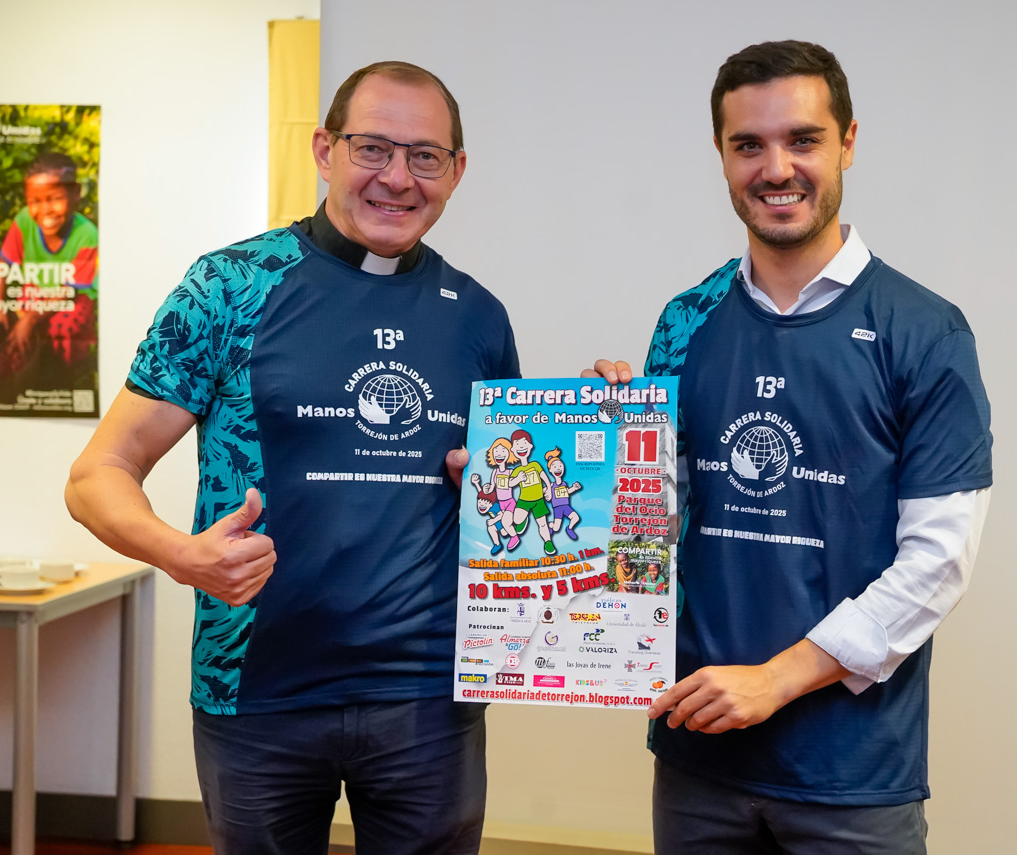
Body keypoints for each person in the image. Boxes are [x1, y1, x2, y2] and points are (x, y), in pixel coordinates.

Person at [65, 60, 518, 855]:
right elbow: (96, 474)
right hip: (255, 688)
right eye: (373, 148)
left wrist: (604, 427)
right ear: (324, 150)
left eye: (425, 156)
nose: (398, 178)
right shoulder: (229, 287)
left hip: (428, 701)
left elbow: (510, 499)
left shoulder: (479, 317)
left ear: (457, 171)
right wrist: (180, 554)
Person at [587, 40, 992, 853]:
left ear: (847, 142)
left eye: (803, 140)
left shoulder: (926, 331)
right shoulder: (685, 321)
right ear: (721, 154)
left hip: (852, 775)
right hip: (698, 755)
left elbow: (937, 562)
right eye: (749, 144)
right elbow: (650, 533)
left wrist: (776, 678)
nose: (777, 168)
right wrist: (595, 454)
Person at [0, 151, 98, 366]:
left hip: (72, 296)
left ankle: (62, 369)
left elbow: (69, 292)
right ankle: (26, 362)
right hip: (36, 289)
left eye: (55, 199)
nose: (45, 211)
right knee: (14, 317)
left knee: (64, 327)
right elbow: (3, 264)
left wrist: (30, 319)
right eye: (35, 201)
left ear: (76, 193)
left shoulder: (88, 236)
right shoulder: (24, 221)